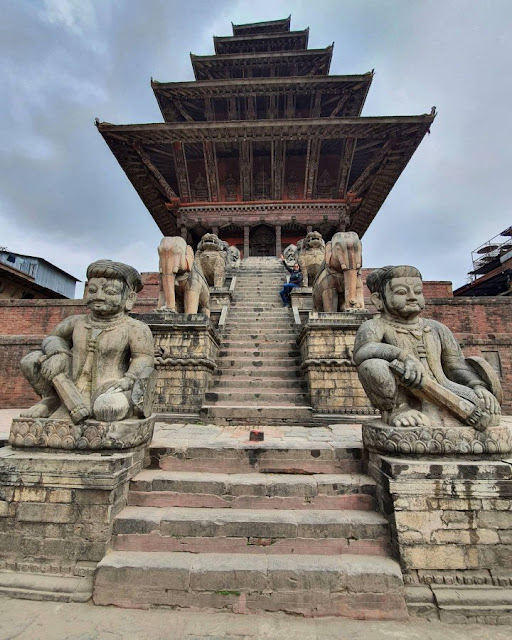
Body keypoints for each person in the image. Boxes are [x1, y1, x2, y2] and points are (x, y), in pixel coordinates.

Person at [353, 265, 501, 429]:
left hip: (444, 388)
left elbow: (455, 365)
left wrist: (477, 386)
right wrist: (403, 356)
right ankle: (399, 410)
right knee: (372, 366)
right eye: (401, 292)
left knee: (487, 407)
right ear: (378, 300)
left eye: (417, 292)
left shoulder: (437, 328)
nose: (412, 297)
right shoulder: (376, 325)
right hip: (404, 393)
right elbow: (363, 350)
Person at [20, 259, 155, 424]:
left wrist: (129, 379)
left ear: (129, 298)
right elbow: (53, 337)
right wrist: (59, 353)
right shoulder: (76, 322)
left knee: (106, 408)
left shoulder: (135, 328)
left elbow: (144, 358)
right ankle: (52, 399)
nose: (99, 297)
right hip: (69, 384)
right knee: (31, 360)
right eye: (92, 290)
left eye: (110, 292)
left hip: (110, 387)